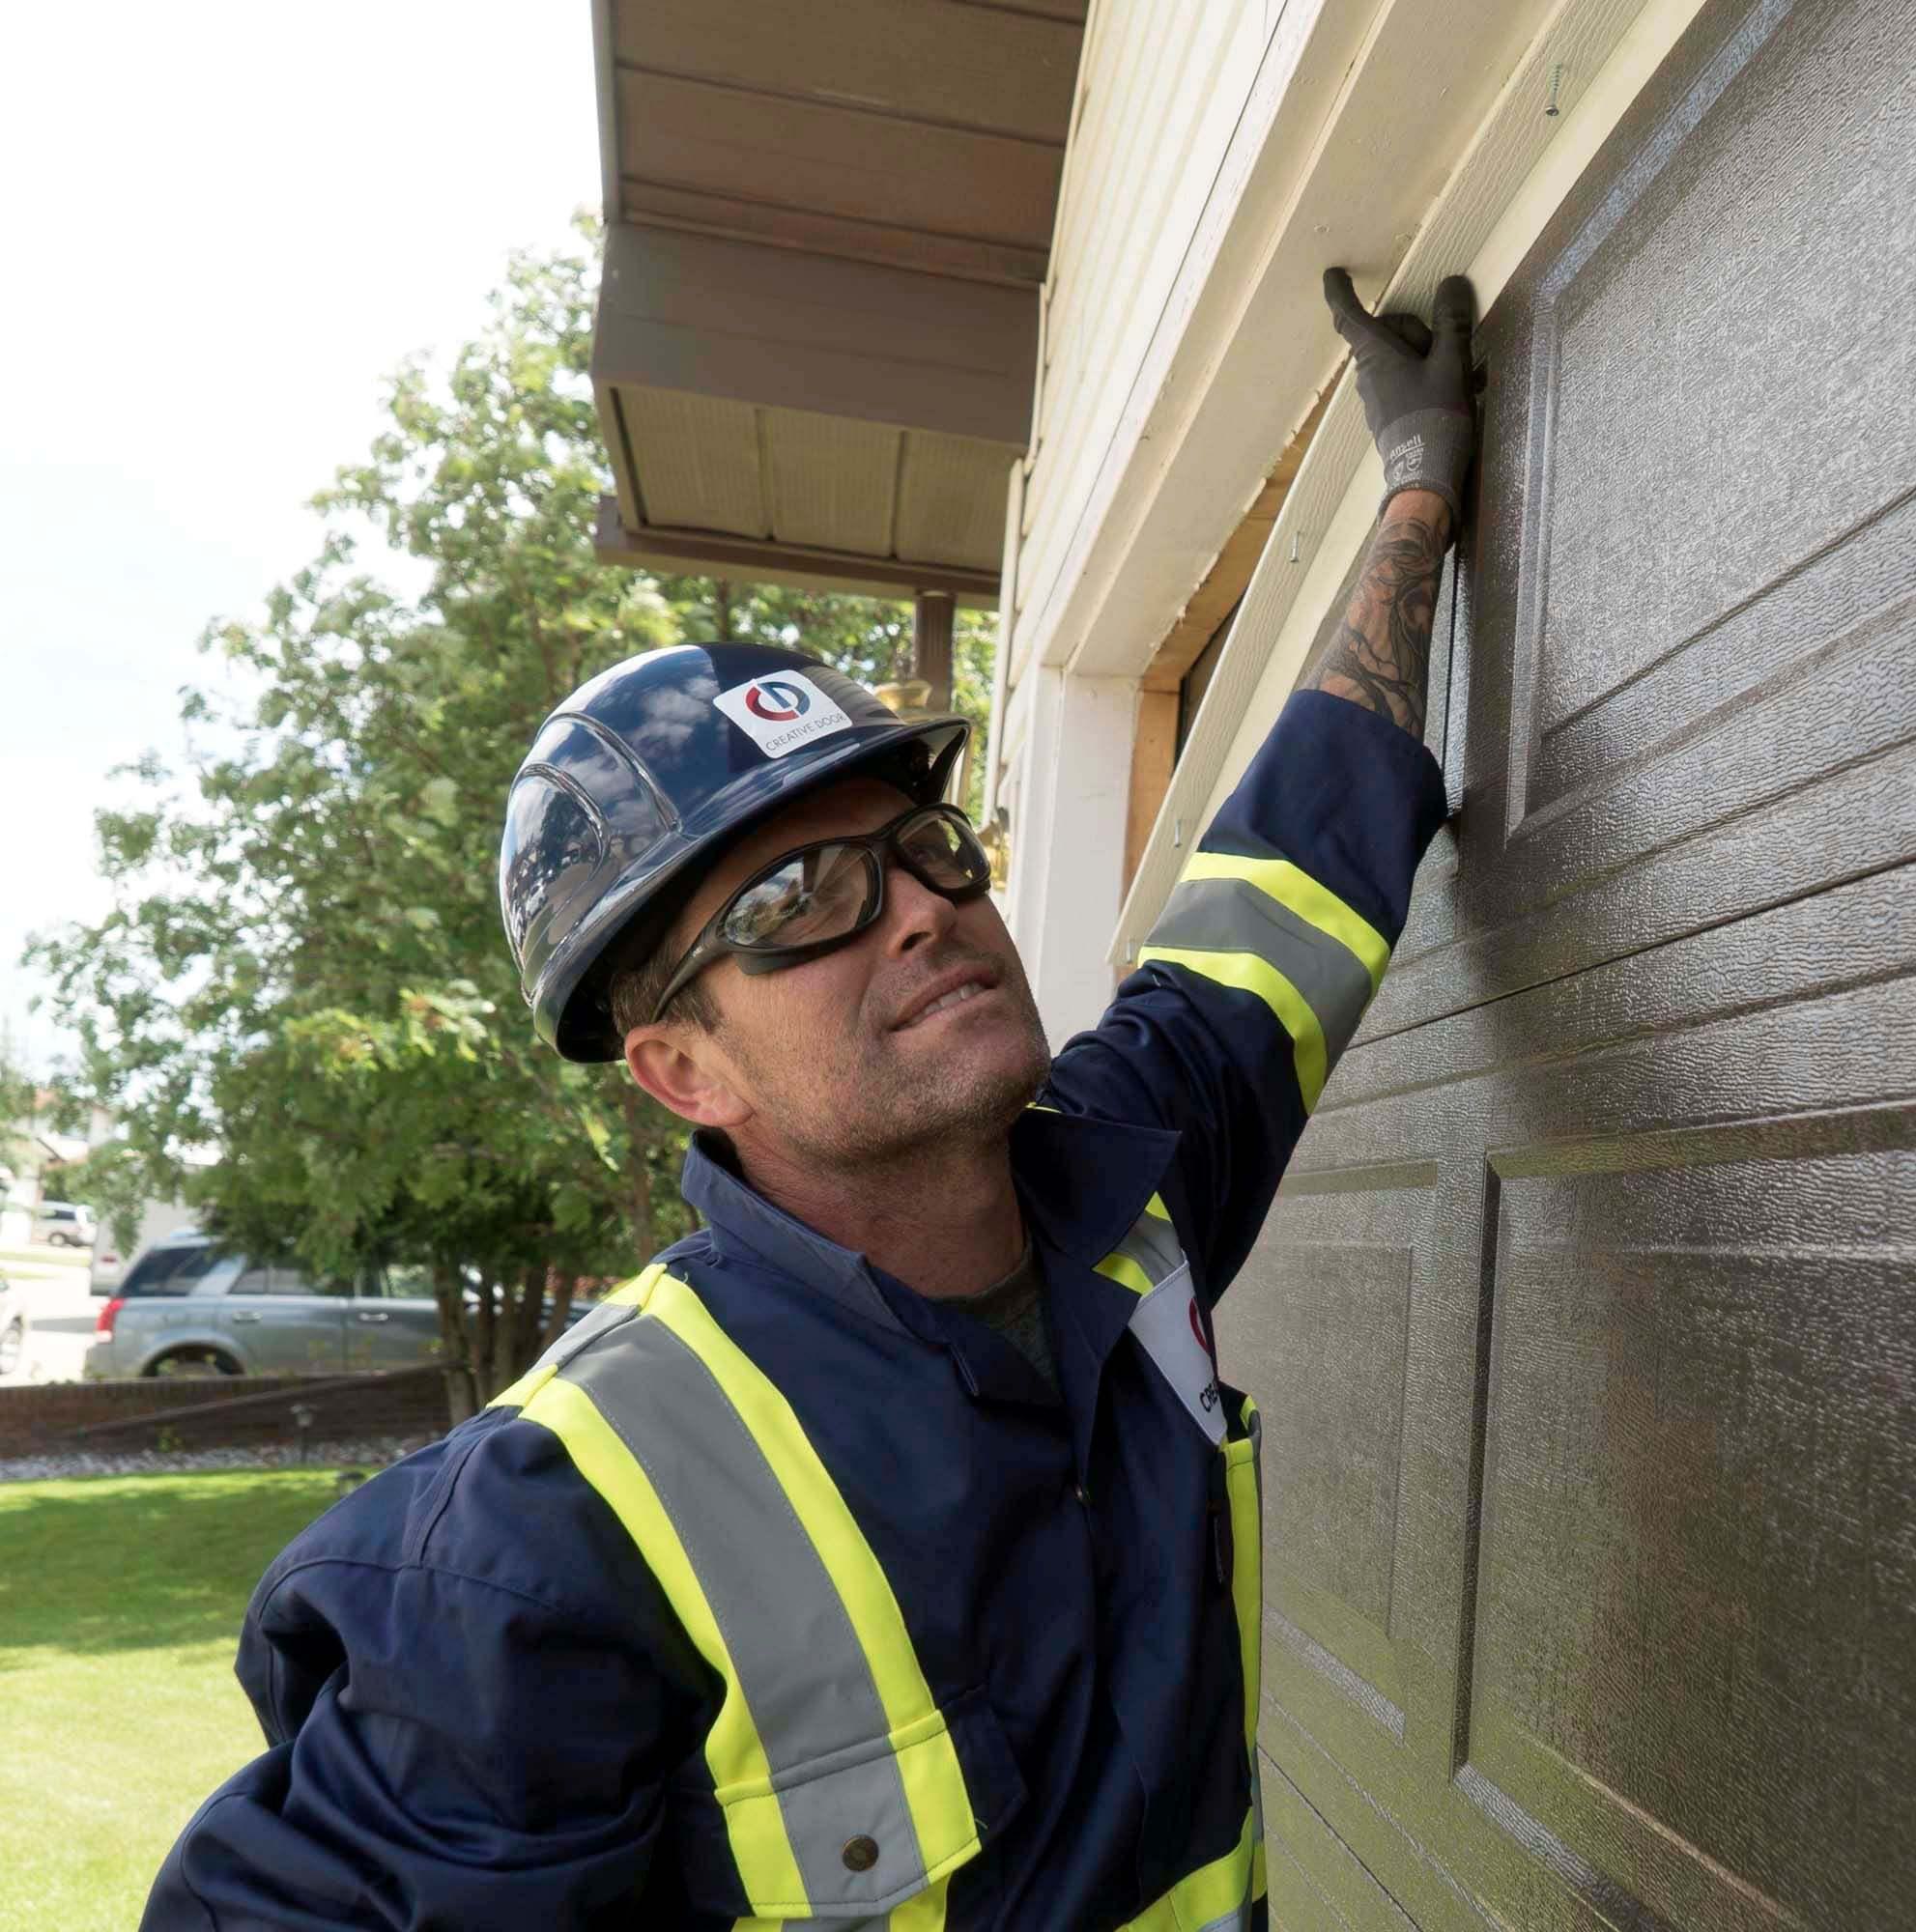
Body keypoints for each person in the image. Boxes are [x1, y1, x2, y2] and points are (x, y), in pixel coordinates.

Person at [142, 270, 1478, 1931]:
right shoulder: (548, 1538)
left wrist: (1414, 489)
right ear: (680, 1071)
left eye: (925, 851)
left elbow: (1286, 882)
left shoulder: (1124, 1188)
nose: (920, 906)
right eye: (794, 906)